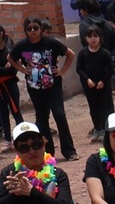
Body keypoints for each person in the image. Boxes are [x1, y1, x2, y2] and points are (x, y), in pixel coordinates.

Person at [11, 18, 75, 160]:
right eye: (29, 28)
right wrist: (22, 69)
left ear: (41, 29)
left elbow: (70, 54)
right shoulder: (22, 45)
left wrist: (62, 71)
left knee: (59, 114)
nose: (33, 31)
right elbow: (10, 58)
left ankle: (69, 150)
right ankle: (48, 151)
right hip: (34, 86)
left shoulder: (51, 43)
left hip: (53, 85)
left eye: (35, 28)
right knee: (41, 117)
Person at [76, 25, 115, 140]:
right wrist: (87, 79)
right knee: (93, 107)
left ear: (100, 37)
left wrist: (103, 81)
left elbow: (111, 70)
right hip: (89, 86)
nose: (93, 39)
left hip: (103, 86)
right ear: (86, 38)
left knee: (105, 107)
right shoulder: (83, 53)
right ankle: (97, 128)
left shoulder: (105, 53)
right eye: (90, 36)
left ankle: (106, 129)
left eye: (95, 36)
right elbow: (79, 69)